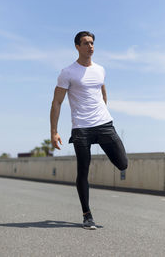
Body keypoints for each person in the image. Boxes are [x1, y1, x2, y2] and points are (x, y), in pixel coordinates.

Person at [50, 31, 128, 230]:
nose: (90, 46)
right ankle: (87, 215)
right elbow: (57, 102)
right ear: (77, 46)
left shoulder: (100, 69)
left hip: (104, 124)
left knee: (122, 163)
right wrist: (54, 131)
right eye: (85, 43)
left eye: (92, 43)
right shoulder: (67, 72)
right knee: (83, 171)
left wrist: (102, 111)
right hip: (81, 128)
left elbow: (102, 90)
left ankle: (109, 149)